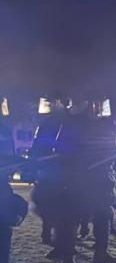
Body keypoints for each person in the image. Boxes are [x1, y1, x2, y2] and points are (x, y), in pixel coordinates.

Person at [32, 95, 116, 263]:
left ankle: (99, 253)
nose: (94, 107)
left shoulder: (105, 124)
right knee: (71, 218)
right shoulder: (68, 124)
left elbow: (113, 148)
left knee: (101, 215)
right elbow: (54, 150)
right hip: (74, 178)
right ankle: (68, 256)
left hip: (98, 178)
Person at [30, 94, 70, 244]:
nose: (51, 105)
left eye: (53, 102)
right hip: (49, 170)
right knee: (46, 202)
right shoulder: (47, 123)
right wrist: (35, 165)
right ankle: (47, 232)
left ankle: (63, 235)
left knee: (64, 204)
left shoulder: (69, 122)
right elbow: (38, 145)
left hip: (65, 170)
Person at [1, 96, 29, 263]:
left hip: (1, 185)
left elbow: (8, 156)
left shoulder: (4, 128)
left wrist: (21, 163)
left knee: (4, 228)